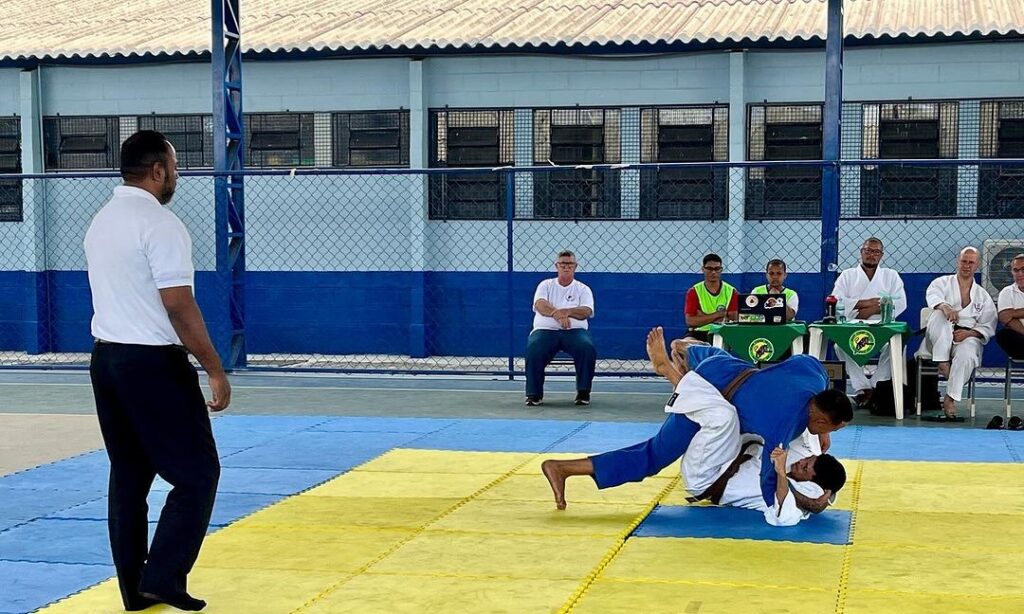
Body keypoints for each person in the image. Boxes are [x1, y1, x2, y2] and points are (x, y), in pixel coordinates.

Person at [85, 131, 230, 612]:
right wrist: (214, 368)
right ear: (158, 170)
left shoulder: (101, 222)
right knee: (198, 474)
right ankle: (164, 575)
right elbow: (178, 305)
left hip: (107, 360)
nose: (177, 176)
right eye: (175, 167)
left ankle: (135, 589)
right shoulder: (160, 224)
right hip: (152, 363)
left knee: (129, 476)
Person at [541, 328, 852, 513]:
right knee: (654, 456)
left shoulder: (814, 374)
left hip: (726, 366)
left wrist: (822, 434)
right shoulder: (782, 428)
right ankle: (668, 370)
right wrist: (805, 503)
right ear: (820, 419)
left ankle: (684, 348)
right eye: (831, 428)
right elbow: (769, 482)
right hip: (710, 391)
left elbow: (808, 361)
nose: (828, 435)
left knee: (702, 356)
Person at [920, 247, 997, 420]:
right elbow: (932, 296)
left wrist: (970, 333)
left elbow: (988, 325)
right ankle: (942, 361)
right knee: (939, 315)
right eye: (964, 261)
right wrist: (945, 306)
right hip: (937, 338)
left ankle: (950, 398)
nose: (967, 265)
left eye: (971, 262)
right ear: (958, 261)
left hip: (965, 336)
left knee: (967, 354)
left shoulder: (982, 296)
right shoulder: (942, 283)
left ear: (977, 265)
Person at [831, 237, 907, 408]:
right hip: (853, 326)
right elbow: (837, 301)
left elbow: (901, 302)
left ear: (881, 255)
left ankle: (875, 386)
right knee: (839, 346)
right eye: (868, 251)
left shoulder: (891, 275)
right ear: (861, 252)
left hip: (882, 326)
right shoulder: (847, 275)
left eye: (876, 252)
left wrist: (872, 310)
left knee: (895, 346)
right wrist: (867, 302)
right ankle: (863, 389)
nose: (871, 255)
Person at [525, 250, 596, 406]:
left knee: (586, 347)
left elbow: (586, 311)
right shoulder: (545, 285)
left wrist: (567, 312)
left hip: (575, 332)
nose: (566, 267)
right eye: (563, 264)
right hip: (545, 332)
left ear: (575, 266)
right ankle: (534, 394)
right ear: (556, 266)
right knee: (534, 348)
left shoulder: (583, 289)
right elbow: (540, 304)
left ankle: (583, 393)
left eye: (570, 264)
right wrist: (556, 314)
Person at [685, 253, 738, 342]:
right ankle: (703, 346)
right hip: (698, 333)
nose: (713, 272)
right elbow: (690, 322)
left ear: (721, 270)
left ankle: (704, 347)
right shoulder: (694, 291)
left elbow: (732, 320)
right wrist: (718, 314)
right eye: (709, 269)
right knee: (676, 345)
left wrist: (702, 317)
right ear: (703, 269)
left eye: (717, 269)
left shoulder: (731, 291)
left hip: (721, 333)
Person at [996, 254, 1024, 360]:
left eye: (1023, 270)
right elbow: (1004, 318)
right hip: (1021, 338)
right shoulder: (1007, 292)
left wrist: (1013, 313)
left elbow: (1008, 315)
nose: (1020, 274)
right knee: (1004, 335)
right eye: (1016, 270)